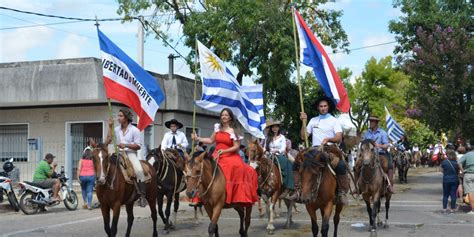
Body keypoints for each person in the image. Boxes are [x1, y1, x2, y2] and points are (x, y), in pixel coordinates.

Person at [191, 108, 259, 205]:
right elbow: (210, 140)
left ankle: (232, 196)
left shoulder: (234, 131)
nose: (224, 116)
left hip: (231, 155)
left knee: (236, 167)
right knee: (204, 168)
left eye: (226, 115)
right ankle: (200, 196)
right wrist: (198, 138)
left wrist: (225, 150)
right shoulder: (218, 128)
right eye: (222, 115)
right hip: (217, 154)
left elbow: (236, 147)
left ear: (230, 117)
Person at [299, 96, 349, 204]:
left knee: (340, 165)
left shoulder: (334, 120)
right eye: (321, 106)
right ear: (318, 108)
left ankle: (341, 192)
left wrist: (329, 139)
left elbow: (338, 137)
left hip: (330, 149)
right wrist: (304, 122)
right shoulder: (313, 120)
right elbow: (304, 137)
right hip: (314, 150)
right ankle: (298, 190)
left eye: (325, 106)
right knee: (297, 163)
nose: (323, 108)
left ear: (328, 107)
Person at [105, 108, 147, 207]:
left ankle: (142, 196)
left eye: (121, 116)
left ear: (127, 117)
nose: (118, 118)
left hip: (130, 154)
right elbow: (108, 140)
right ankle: (104, 194)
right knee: (106, 168)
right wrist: (110, 127)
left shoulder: (135, 130)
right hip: (118, 153)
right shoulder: (116, 129)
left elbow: (138, 146)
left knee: (139, 170)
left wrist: (126, 145)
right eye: (118, 116)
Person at [357, 115, 394, 193]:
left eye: (372, 121)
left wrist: (378, 145)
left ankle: (389, 185)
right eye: (370, 121)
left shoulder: (382, 133)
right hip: (368, 154)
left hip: (381, 153)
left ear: (376, 123)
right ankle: (357, 186)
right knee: (357, 165)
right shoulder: (366, 133)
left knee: (389, 165)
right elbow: (363, 143)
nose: (370, 123)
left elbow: (387, 145)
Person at [264, 120, 297, 199]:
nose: (275, 128)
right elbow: (265, 147)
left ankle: (289, 186)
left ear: (279, 128)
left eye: (276, 126)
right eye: (273, 127)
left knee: (287, 163)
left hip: (279, 154)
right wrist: (264, 150)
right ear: (271, 128)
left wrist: (277, 151)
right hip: (269, 155)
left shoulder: (282, 137)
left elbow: (283, 148)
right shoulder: (268, 137)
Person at [77, 141, 96, 210]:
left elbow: (79, 169)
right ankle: (89, 205)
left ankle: (85, 202)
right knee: (90, 191)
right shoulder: (93, 160)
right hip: (91, 176)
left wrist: (77, 177)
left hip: (82, 176)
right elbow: (95, 169)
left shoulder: (81, 160)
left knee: (83, 189)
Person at [459, 147, 474, 214]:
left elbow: (459, 163)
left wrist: (462, 171)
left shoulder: (466, 155)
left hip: (468, 174)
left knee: (470, 192)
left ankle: (473, 210)